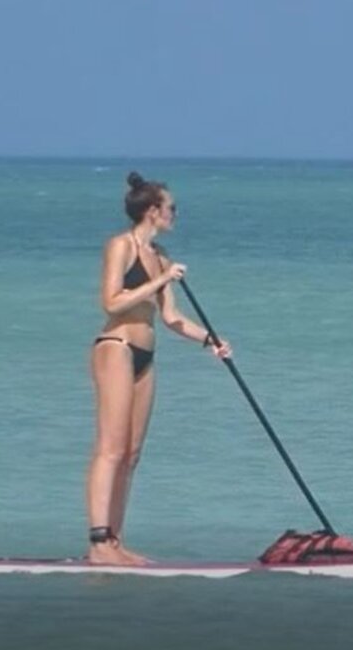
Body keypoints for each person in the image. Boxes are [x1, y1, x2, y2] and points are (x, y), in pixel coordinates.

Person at [85, 171, 231, 565]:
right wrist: (161, 279)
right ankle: (98, 544)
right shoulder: (121, 246)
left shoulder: (161, 257)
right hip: (115, 348)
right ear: (153, 211)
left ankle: (115, 542)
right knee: (110, 449)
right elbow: (112, 302)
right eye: (171, 209)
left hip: (146, 356)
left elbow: (171, 318)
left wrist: (211, 340)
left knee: (131, 454)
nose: (174, 216)